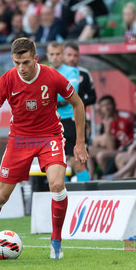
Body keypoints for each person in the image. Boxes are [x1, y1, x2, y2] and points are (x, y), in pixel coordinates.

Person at [0, 37, 88, 259]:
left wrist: (79, 143)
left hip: (49, 136)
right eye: (16, 63)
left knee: (57, 184)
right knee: (0, 197)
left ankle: (56, 242)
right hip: (19, 140)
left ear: (35, 58)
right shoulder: (7, 80)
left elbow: (78, 104)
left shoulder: (51, 76)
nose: (21, 68)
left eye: (25, 62)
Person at [45, 42, 87, 181]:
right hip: (51, 123)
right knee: (56, 163)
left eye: (58, 54)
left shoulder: (71, 72)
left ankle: (87, 192)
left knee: (77, 161)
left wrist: (48, 99)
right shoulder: (44, 73)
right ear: (47, 56)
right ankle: (62, 197)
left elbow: (70, 95)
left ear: (62, 55)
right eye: (52, 54)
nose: (55, 57)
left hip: (69, 121)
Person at [63, 41, 97, 181]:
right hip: (58, 121)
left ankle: (86, 193)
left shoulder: (84, 74)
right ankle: (60, 195)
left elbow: (93, 97)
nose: (72, 58)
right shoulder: (57, 73)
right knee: (59, 162)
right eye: (69, 55)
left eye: (75, 55)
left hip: (77, 121)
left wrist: (77, 103)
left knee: (79, 160)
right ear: (63, 55)